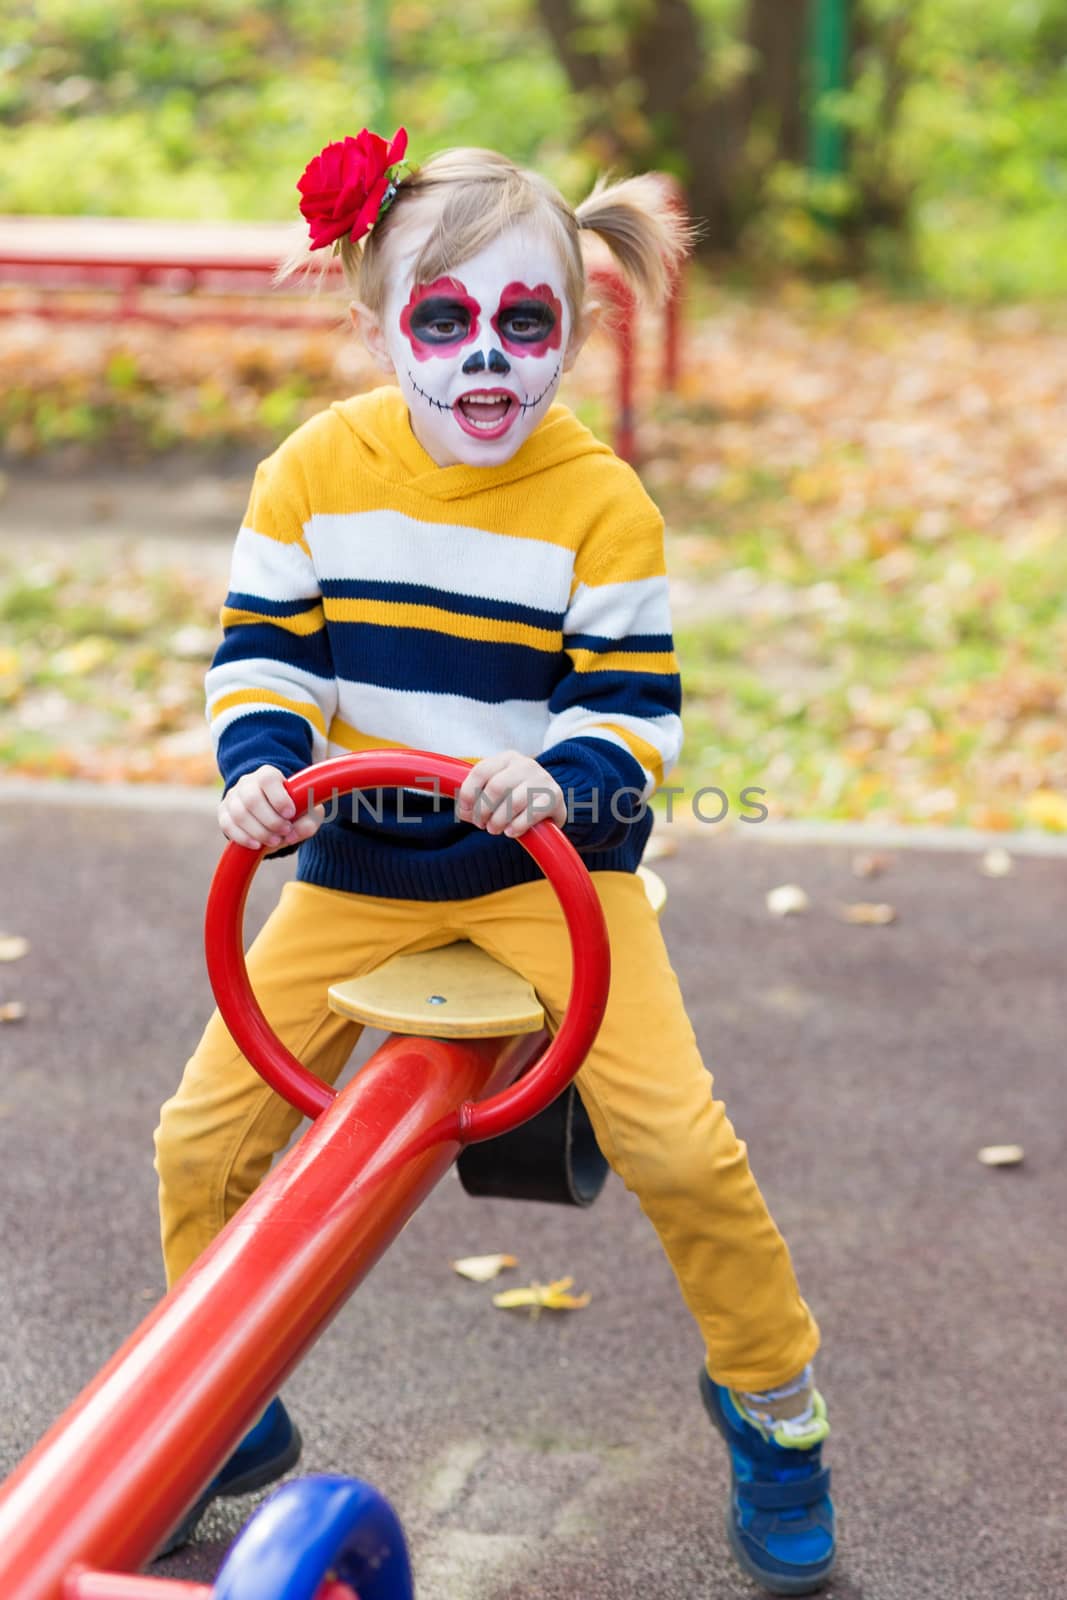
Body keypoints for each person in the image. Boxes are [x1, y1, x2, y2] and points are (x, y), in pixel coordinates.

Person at [152, 126, 835, 1593]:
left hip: (549, 876)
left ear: (574, 335)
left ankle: (775, 1405)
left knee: (681, 1148)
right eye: (444, 322)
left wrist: (562, 776)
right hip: (358, 865)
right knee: (203, 1141)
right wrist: (264, 769)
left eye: (526, 324)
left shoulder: (598, 503)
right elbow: (265, 654)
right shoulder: (314, 474)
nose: (485, 361)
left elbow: (629, 710)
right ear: (377, 319)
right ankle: (230, 1415)